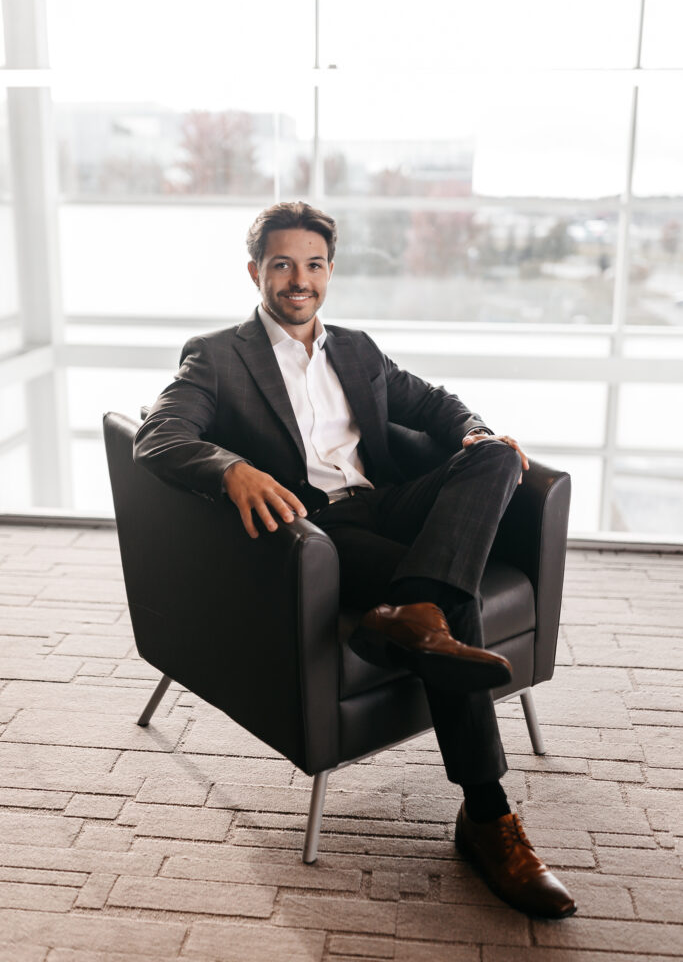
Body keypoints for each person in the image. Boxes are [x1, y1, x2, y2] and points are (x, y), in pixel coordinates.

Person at [133, 201, 576, 920]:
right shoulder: (216, 355)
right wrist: (228, 468)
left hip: (386, 500)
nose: (297, 280)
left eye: (311, 265)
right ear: (256, 272)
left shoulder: (359, 350)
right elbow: (157, 436)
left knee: (496, 455)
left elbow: (436, 406)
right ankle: (488, 818)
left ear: (329, 273)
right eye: (281, 265)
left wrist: (472, 431)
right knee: (451, 599)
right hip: (316, 531)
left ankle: (410, 612)